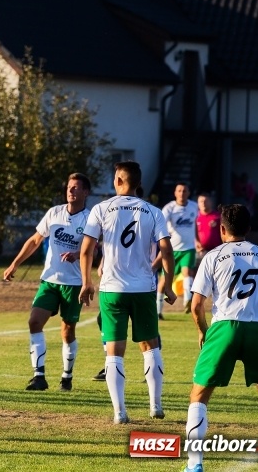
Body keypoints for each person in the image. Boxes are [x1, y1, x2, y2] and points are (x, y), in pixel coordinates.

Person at [183, 204, 258, 472]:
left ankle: (195, 465)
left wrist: (203, 331)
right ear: (248, 229)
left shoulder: (213, 256)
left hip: (224, 328)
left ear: (222, 229)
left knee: (199, 395)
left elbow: (196, 305)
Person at [79, 160, 177, 424]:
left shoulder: (101, 209)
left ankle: (119, 412)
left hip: (112, 290)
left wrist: (86, 281)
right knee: (150, 346)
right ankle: (155, 406)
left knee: (114, 350)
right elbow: (166, 250)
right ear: (139, 183)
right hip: (144, 289)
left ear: (119, 181)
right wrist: (167, 283)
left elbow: (87, 249)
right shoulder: (153, 211)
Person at [3, 173, 91, 392]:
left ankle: (66, 377)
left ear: (86, 192)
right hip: (49, 281)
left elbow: (95, 249)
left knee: (67, 331)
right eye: (69, 186)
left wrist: (77, 253)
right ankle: (39, 376)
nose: (71, 190)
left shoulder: (91, 218)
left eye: (76, 187)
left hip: (74, 283)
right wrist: (15, 264)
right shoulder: (54, 213)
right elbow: (35, 240)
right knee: (34, 322)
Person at [154, 183, 197, 319]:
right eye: (179, 190)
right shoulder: (169, 208)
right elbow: (161, 223)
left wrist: (199, 239)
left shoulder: (194, 207)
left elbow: (199, 223)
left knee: (187, 272)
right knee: (164, 280)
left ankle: (187, 301)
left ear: (188, 192)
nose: (182, 193)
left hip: (189, 248)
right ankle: (158, 310)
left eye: (185, 190)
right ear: (175, 193)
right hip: (172, 250)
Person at [195, 192, 221, 263]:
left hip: (216, 252)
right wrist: (196, 242)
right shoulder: (195, 217)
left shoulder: (218, 217)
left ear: (211, 202)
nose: (203, 203)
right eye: (201, 201)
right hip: (200, 252)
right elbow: (192, 232)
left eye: (206, 201)